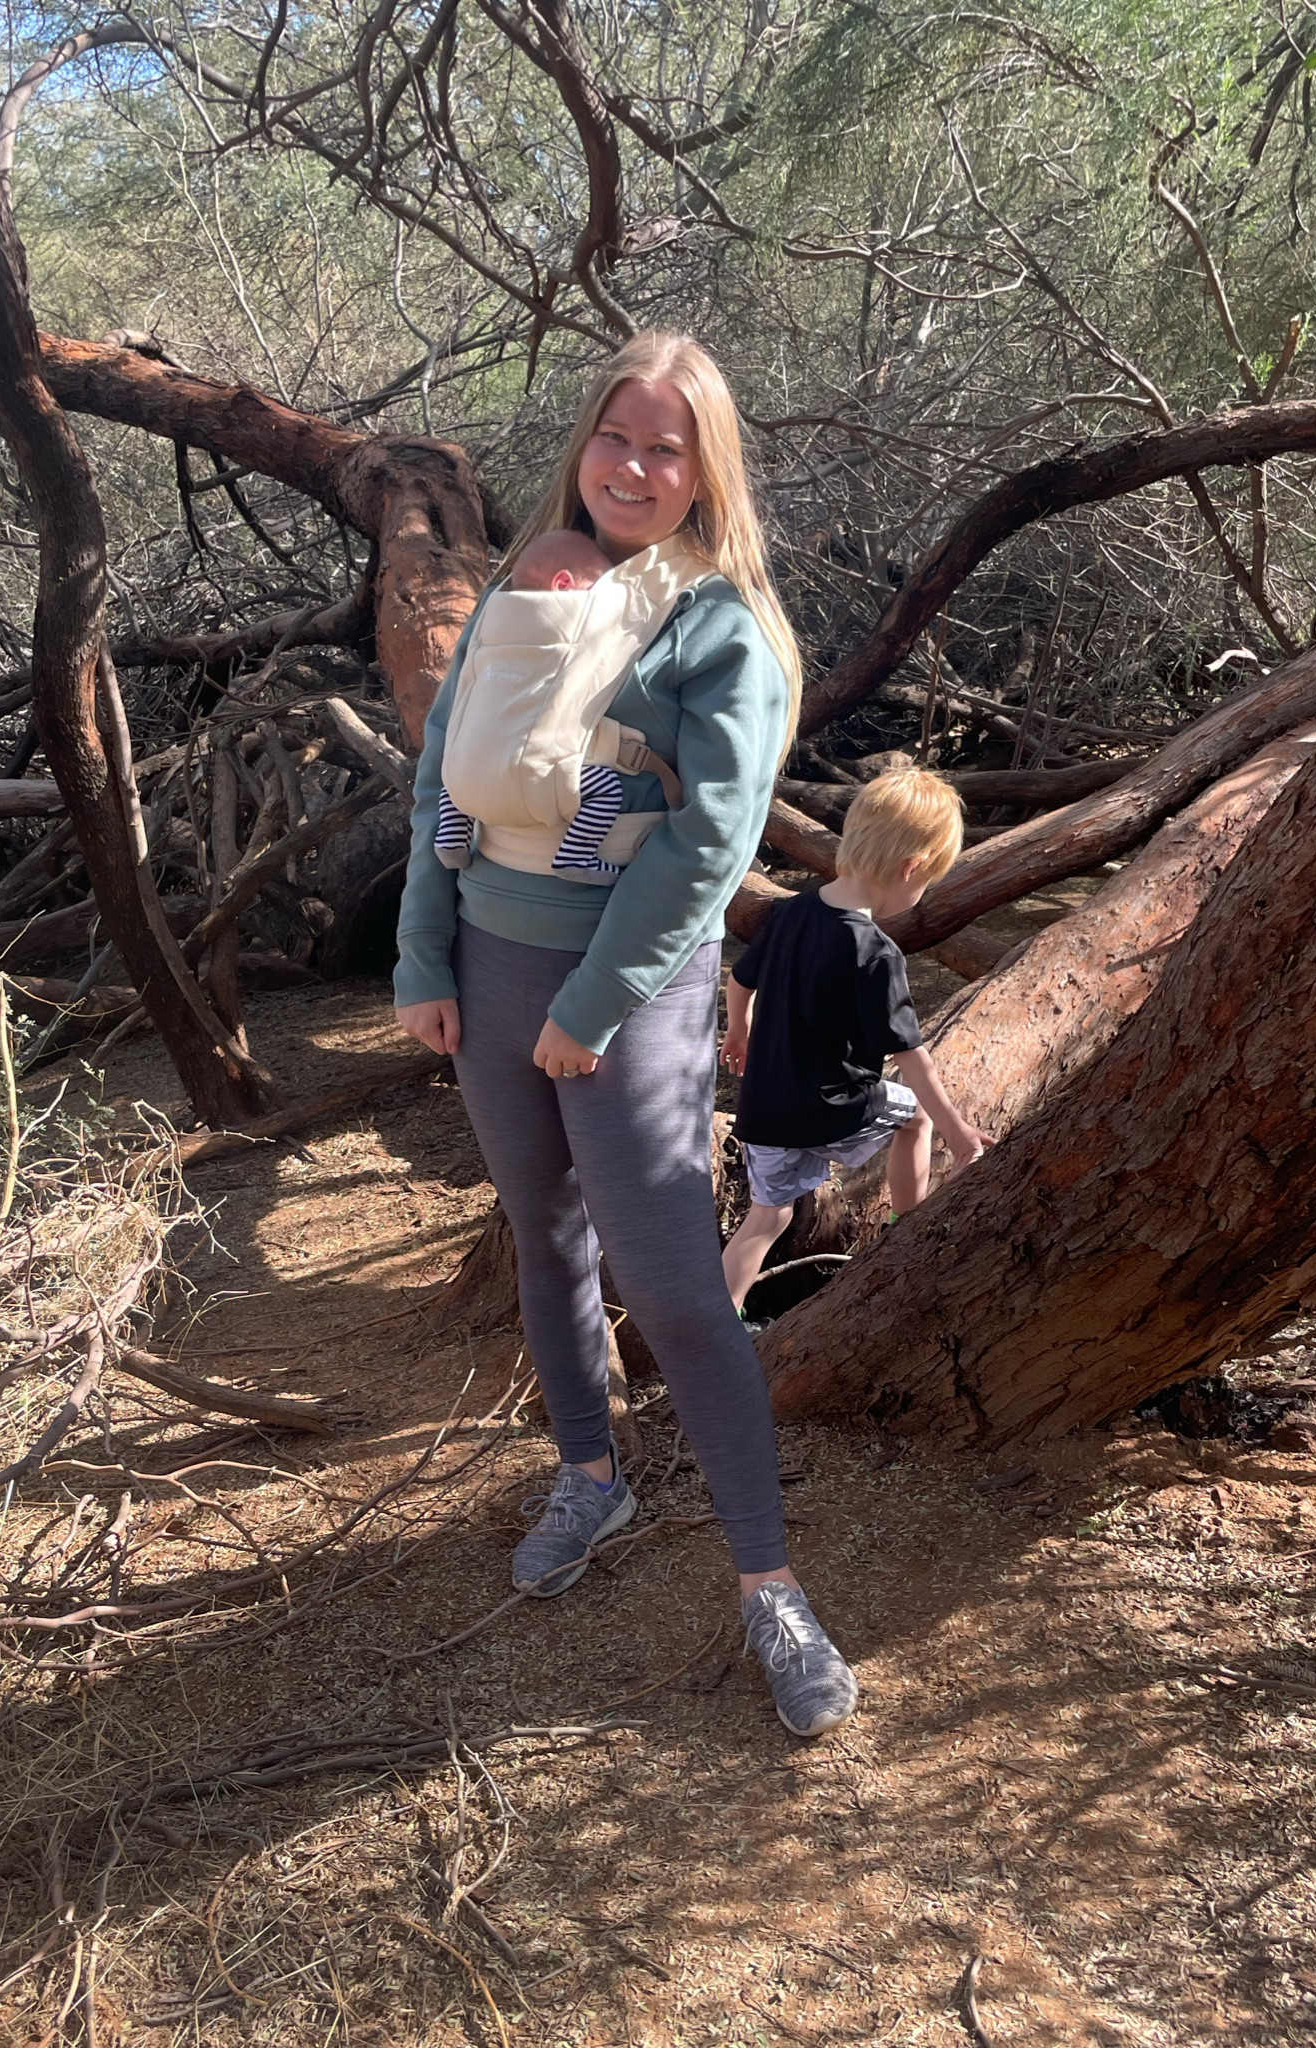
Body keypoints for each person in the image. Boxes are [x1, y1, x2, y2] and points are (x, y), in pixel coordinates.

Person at [394, 331, 860, 1738]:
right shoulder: (526, 591)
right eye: (617, 438)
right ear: (582, 446)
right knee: (545, 1241)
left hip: (625, 991)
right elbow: (443, 782)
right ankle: (589, 1474)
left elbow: (706, 847)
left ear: (705, 468)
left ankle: (770, 1584)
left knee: (672, 1289)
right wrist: (426, 951)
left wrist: (590, 1009)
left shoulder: (722, 627)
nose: (636, 467)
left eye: (667, 447)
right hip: (486, 966)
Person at [720, 768, 993, 1315]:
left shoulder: (790, 911)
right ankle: (904, 1228)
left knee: (766, 1218)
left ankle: (716, 1320)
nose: (921, 892)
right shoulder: (874, 952)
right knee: (912, 1117)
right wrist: (958, 1133)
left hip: (765, 1108)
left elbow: (739, 979)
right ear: (911, 867)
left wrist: (739, 1030)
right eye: (926, 882)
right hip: (832, 1108)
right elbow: (912, 1059)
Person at [433, 530, 628, 879]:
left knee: (459, 767)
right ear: (565, 586)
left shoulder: (491, 622)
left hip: (462, 777)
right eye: (601, 591)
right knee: (606, 787)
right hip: (532, 779)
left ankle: (451, 835)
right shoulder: (573, 631)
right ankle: (577, 855)